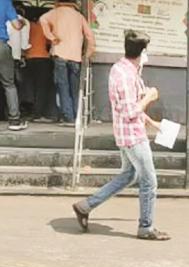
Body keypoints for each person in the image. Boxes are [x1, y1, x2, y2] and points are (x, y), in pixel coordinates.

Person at [72, 30, 170, 241]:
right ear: (142, 52)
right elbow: (129, 111)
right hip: (132, 136)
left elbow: (130, 107)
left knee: (129, 175)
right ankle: (146, 227)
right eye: (146, 51)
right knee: (149, 181)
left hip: (129, 133)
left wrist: (153, 122)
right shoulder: (125, 75)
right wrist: (150, 97)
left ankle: (85, 205)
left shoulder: (126, 70)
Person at [40, 0, 95, 126]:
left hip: (60, 54)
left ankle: (68, 117)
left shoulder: (54, 13)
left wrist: (51, 37)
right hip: (75, 57)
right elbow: (90, 36)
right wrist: (88, 54)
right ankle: (77, 116)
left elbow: (42, 19)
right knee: (75, 88)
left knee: (63, 87)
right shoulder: (79, 16)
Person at [0, 0, 28, 131]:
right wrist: (23, 22)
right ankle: (14, 121)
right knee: (9, 84)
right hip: (1, 45)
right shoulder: (5, 2)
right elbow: (16, 25)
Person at [25, 12, 56, 122]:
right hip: (43, 58)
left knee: (30, 85)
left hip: (29, 58)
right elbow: (50, 42)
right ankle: (38, 113)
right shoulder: (45, 27)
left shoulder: (28, 26)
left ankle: (30, 111)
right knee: (41, 87)